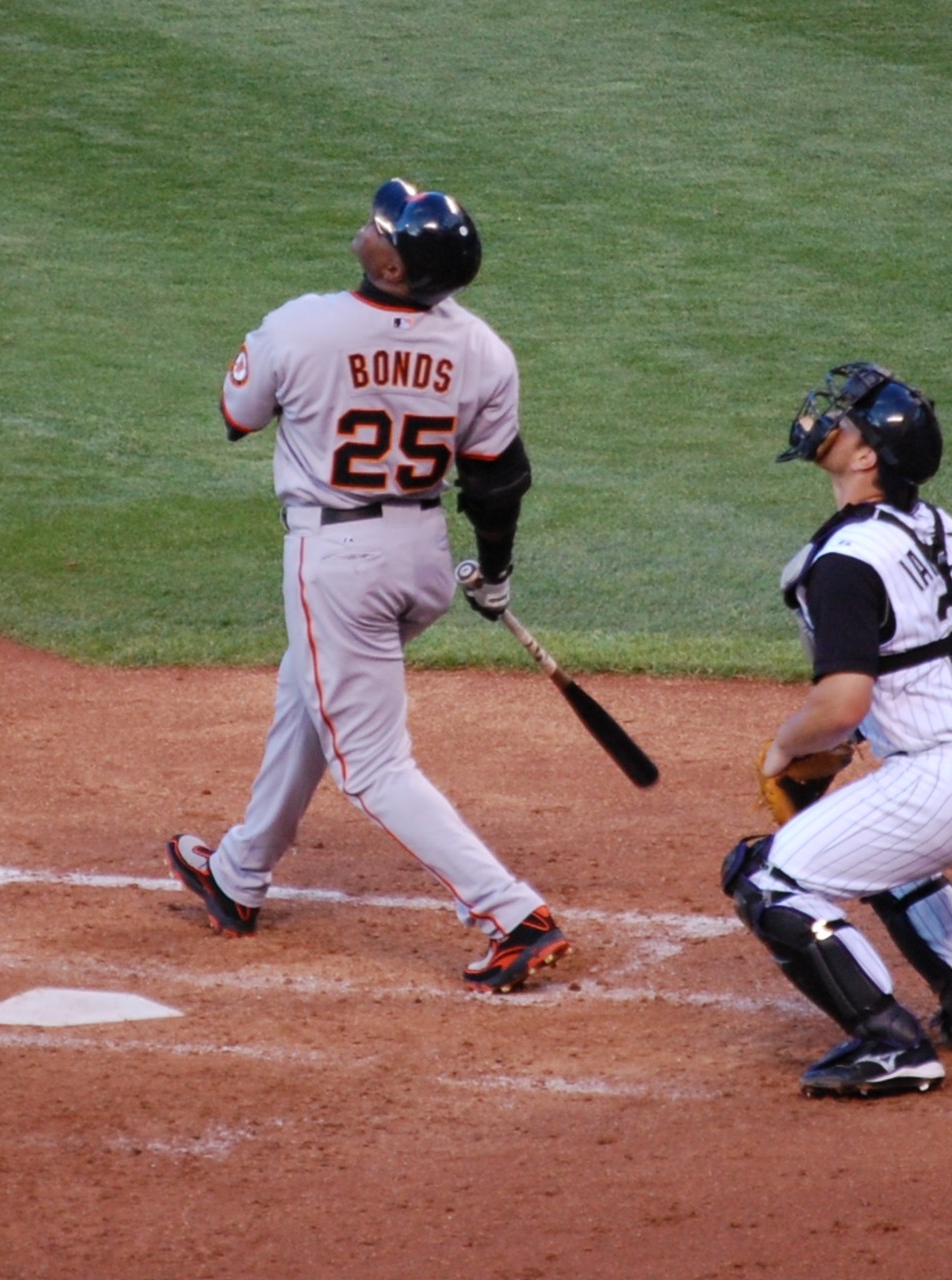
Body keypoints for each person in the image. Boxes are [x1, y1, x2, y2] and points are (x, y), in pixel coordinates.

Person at [165, 177, 570, 994]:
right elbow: (498, 481)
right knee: (306, 695)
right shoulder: (484, 350)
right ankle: (239, 873)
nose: (370, 226)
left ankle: (511, 913)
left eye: (385, 228)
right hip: (422, 558)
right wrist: (495, 571)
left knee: (372, 763)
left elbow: (236, 416)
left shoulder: (303, 324)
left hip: (339, 561)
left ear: (393, 269)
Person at [722, 363, 952, 1098]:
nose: (828, 417)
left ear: (867, 456)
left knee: (766, 877)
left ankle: (890, 1043)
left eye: (848, 416)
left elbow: (842, 703)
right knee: (887, 850)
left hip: (948, 780)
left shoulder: (846, 560)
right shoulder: (943, 528)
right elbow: (912, 665)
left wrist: (786, 745)